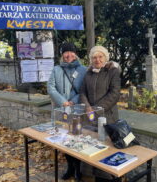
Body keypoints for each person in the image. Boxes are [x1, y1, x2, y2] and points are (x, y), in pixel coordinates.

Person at [80, 45, 121, 182]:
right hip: (90, 117)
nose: (97, 60)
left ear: (105, 57)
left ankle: (107, 177)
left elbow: (114, 94)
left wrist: (96, 108)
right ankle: (89, 176)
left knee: (106, 148)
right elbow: (82, 92)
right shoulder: (88, 73)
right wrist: (87, 107)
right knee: (91, 147)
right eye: (94, 57)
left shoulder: (112, 71)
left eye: (100, 56)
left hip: (107, 117)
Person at [47, 42, 86, 181]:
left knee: (76, 138)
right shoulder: (56, 69)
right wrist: (63, 101)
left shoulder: (83, 70)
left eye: (71, 52)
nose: (68, 55)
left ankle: (78, 169)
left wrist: (73, 101)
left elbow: (83, 89)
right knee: (64, 139)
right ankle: (70, 167)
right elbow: (50, 87)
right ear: (62, 54)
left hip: (76, 110)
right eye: (65, 52)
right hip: (61, 110)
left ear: (75, 53)